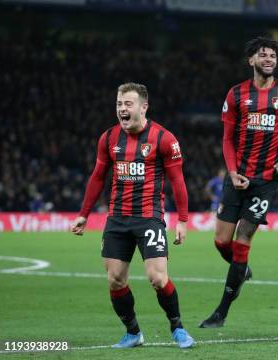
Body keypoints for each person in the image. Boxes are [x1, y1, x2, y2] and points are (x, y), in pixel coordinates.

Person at [70, 83, 194, 349]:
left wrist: (183, 220)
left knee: (158, 278)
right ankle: (133, 332)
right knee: (115, 279)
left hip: (149, 217)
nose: (122, 109)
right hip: (116, 218)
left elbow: (178, 181)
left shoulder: (164, 139)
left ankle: (178, 328)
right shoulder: (109, 138)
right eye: (119, 104)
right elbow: (97, 177)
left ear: (143, 107)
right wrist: (84, 214)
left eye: (128, 104)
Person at [200, 37, 278, 328]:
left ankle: (221, 312)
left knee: (243, 238)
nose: (269, 58)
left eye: (273, 55)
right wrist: (232, 172)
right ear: (251, 61)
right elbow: (227, 138)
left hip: (267, 179)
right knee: (221, 241)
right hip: (238, 177)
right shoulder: (236, 95)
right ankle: (241, 269)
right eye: (263, 54)